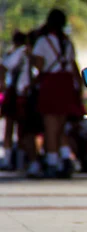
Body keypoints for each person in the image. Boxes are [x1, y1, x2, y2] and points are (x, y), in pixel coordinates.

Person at [32, 9, 84, 178]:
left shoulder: (43, 41)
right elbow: (73, 66)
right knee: (61, 126)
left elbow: (39, 67)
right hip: (66, 84)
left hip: (51, 83)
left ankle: (53, 163)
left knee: (50, 126)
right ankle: (65, 158)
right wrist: (80, 89)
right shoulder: (67, 42)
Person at [0, 31, 41, 176]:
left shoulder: (33, 55)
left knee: (27, 131)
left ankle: (31, 160)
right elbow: (4, 67)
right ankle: (19, 159)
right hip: (22, 96)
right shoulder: (22, 54)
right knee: (21, 130)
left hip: (29, 96)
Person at [0, 31, 27, 170]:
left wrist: (2, 82)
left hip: (16, 92)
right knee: (19, 126)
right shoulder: (22, 52)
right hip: (18, 91)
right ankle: (17, 159)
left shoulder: (18, 52)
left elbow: (3, 66)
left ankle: (11, 157)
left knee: (12, 126)